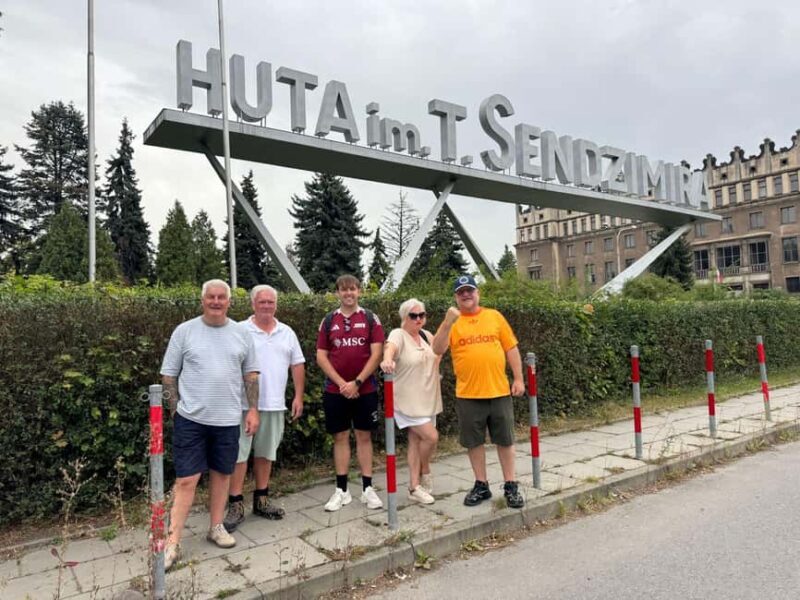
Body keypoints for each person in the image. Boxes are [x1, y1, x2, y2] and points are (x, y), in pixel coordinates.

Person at [160, 279, 260, 570]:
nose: (216, 302)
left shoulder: (241, 334)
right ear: (202, 300)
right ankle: (172, 541)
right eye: (211, 297)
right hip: (191, 420)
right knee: (186, 480)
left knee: (222, 474)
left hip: (228, 420)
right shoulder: (185, 331)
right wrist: (174, 410)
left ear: (229, 302)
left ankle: (216, 526)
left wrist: (253, 410)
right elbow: (169, 375)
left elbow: (251, 375)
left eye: (221, 297)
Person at [431, 274, 526, 509]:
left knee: (505, 440)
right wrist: (447, 322)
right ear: (456, 297)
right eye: (461, 292)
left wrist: (518, 378)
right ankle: (481, 485)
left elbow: (511, 348)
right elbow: (437, 348)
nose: (466, 294)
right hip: (468, 394)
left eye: (469, 290)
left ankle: (511, 485)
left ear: (477, 293)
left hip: (498, 391)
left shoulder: (494, 316)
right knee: (474, 442)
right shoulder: (453, 323)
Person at [223, 285, 306, 532]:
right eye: (262, 302)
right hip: (243, 405)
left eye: (271, 302)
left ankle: (261, 500)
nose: (267, 306)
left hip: (274, 404)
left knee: (266, 453)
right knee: (239, 456)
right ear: (253, 304)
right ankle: (235, 504)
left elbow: (297, 364)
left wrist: (298, 396)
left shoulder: (287, 332)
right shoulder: (239, 330)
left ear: (276, 305)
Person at [316, 274, 385, 512]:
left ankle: (367, 489)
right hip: (335, 391)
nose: (348, 293)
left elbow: (377, 354)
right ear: (337, 293)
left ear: (359, 291)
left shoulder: (370, 318)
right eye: (344, 290)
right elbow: (321, 356)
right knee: (340, 437)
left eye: (352, 289)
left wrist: (356, 382)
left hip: (365, 389)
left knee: (364, 436)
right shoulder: (328, 320)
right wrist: (343, 384)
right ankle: (342, 490)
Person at [380, 298, 441, 505]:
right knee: (431, 437)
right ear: (404, 317)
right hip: (406, 399)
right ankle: (426, 470)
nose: (418, 319)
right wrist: (387, 359)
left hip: (427, 397)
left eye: (421, 315)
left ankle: (414, 487)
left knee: (416, 440)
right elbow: (390, 348)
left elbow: (439, 351)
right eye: (413, 316)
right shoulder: (398, 334)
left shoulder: (426, 335)